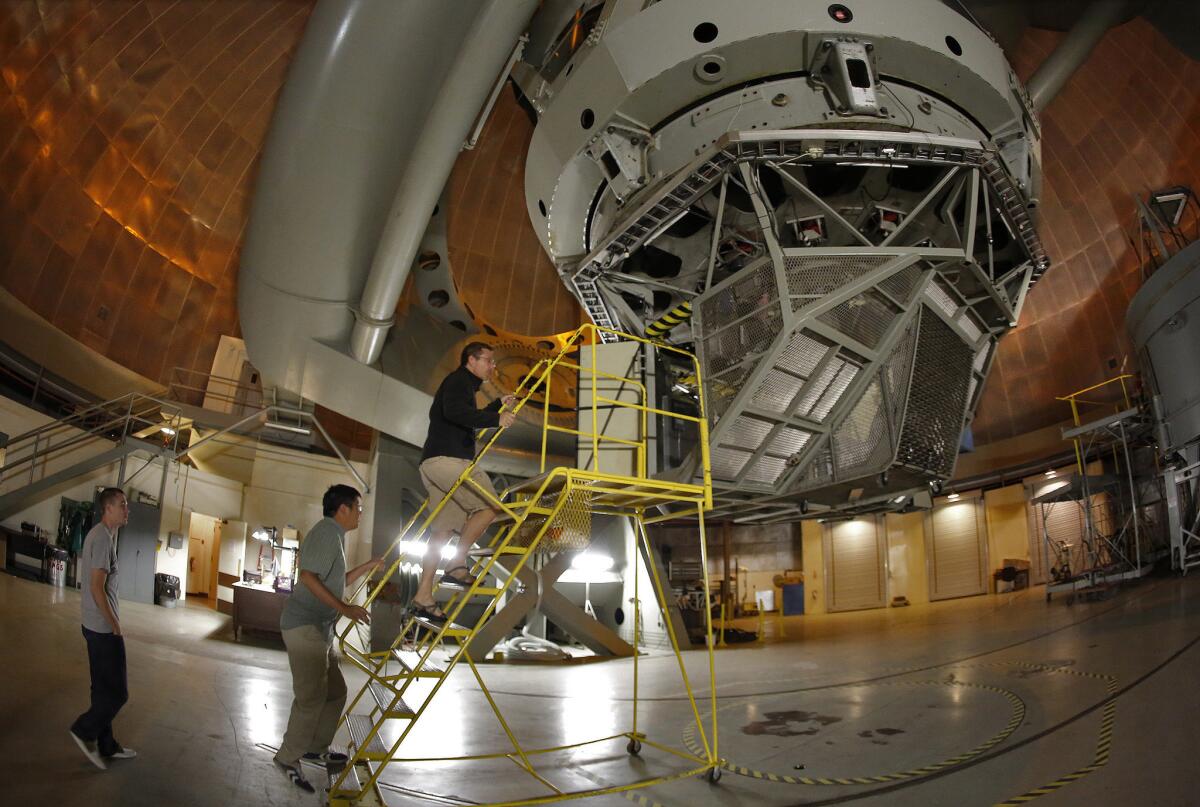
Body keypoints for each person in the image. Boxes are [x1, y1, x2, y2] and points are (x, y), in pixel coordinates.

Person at [274, 484, 382, 792]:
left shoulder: (336, 537)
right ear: (343, 509)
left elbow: (335, 582)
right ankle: (287, 757)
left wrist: (367, 566)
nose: (361, 514)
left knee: (335, 691)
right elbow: (308, 576)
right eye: (358, 508)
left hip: (320, 629)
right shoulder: (326, 532)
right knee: (310, 699)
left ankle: (315, 747)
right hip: (304, 627)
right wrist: (346, 609)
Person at [412, 342, 516, 623]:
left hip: (433, 464)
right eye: (489, 361)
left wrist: (496, 405)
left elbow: (461, 416)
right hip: (450, 462)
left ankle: (423, 594)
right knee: (491, 507)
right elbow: (456, 413)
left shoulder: (463, 386)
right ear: (472, 360)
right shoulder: (458, 380)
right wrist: (496, 418)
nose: (493, 366)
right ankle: (457, 562)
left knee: (442, 532)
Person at [69, 487, 137, 770]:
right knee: (119, 693)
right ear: (108, 508)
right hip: (102, 629)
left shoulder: (104, 536)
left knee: (102, 690)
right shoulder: (102, 540)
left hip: (94, 625)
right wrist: (115, 626)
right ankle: (84, 730)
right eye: (122, 504)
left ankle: (107, 745)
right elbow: (97, 589)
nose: (126, 509)